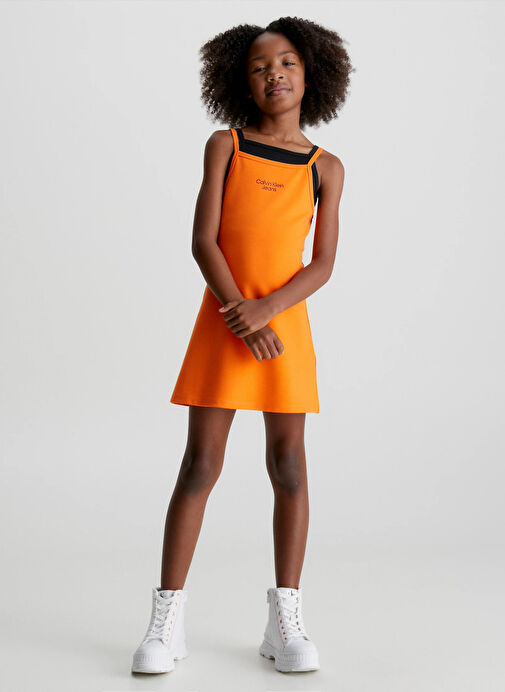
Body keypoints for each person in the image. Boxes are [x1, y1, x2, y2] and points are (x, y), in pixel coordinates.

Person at [132, 15, 352, 675]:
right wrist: (241, 314)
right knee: (200, 464)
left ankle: (286, 621)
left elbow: (322, 264)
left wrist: (267, 312)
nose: (273, 74)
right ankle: (166, 622)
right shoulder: (225, 145)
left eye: (285, 63)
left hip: (282, 331)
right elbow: (204, 240)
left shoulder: (325, 167)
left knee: (289, 469)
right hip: (225, 323)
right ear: (240, 82)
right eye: (258, 67)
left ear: (311, 74)